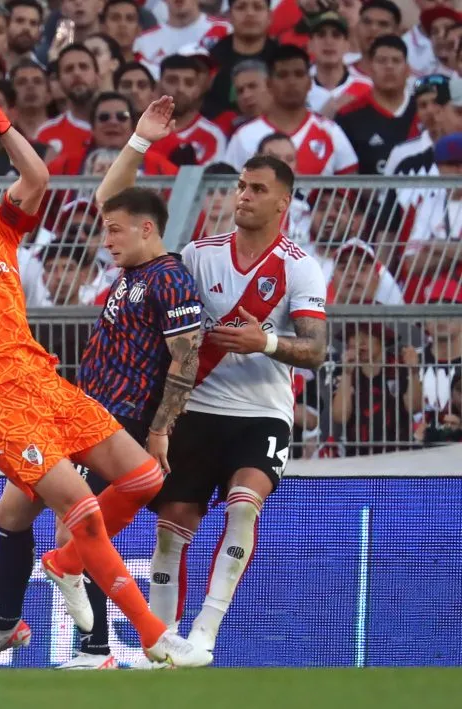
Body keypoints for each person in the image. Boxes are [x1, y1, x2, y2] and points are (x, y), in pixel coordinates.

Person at [0, 65, 210, 668]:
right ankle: (151, 634)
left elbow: (35, 175)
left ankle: (34, 593)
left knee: (143, 478)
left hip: (43, 380)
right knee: (80, 509)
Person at [146, 154, 328, 665]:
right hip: (198, 407)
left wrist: (264, 342)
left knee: (245, 503)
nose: (243, 196)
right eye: (241, 186)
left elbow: (315, 350)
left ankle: (206, 628)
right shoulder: (199, 256)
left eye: (256, 189)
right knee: (172, 526)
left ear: (282, 203)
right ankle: (164, 639)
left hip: (263, 410)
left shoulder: (298, 265)